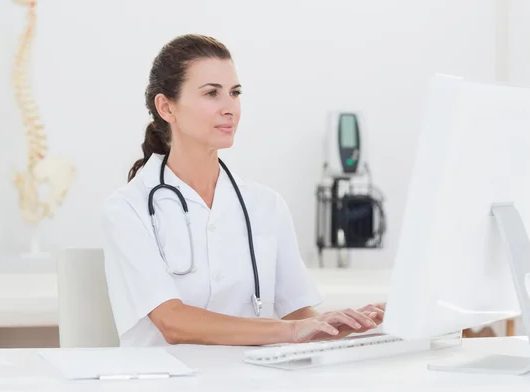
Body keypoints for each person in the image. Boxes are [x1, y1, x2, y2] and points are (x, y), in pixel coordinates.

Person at [101, 34, 385, 347]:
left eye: (234, 93)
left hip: (252, 382)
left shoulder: (265, 204)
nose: (230, 108)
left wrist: (345, 324)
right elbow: (173, 322)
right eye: (212, 93)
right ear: (166, 107)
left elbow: (297, 316)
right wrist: (290, 331)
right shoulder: (128, 208)